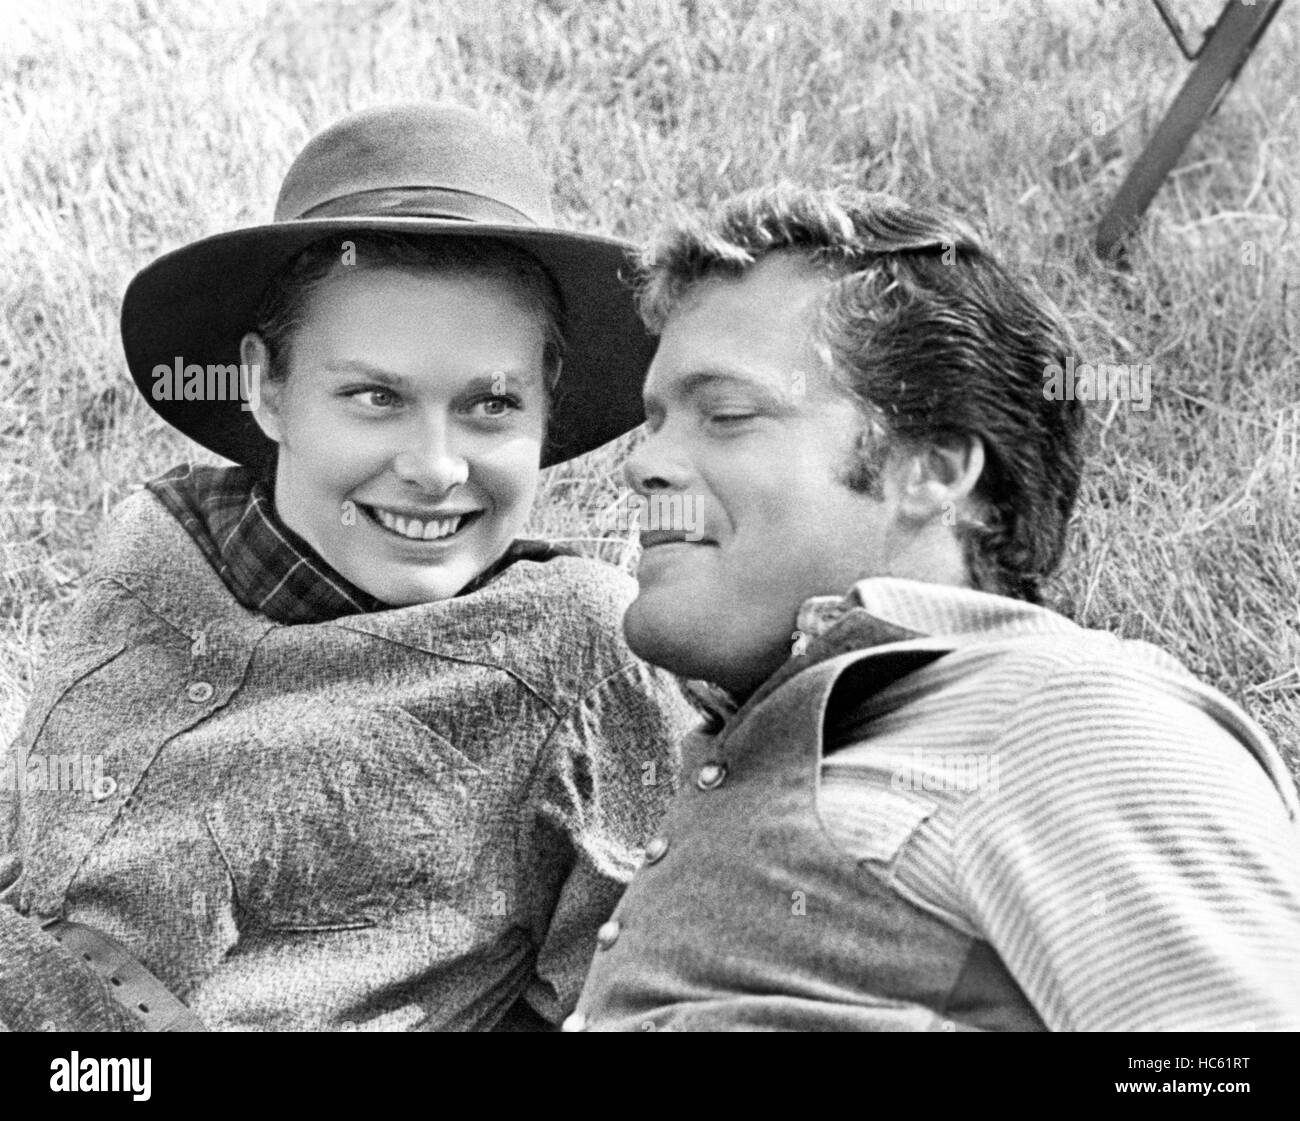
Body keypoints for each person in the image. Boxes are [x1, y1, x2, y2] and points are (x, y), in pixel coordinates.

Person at [0, 104, 696, 1032]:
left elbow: (641, 994)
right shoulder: (152, 548)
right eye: (375, 396)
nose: (437, 467)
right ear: (267, 387)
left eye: (491, 404)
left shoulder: (589, 653)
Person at [569, 186, 1300, 1032]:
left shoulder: (1056, 713)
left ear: (935, 470)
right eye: (653, 421)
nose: (645, 462)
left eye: (727, 414)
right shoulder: (774, 746)